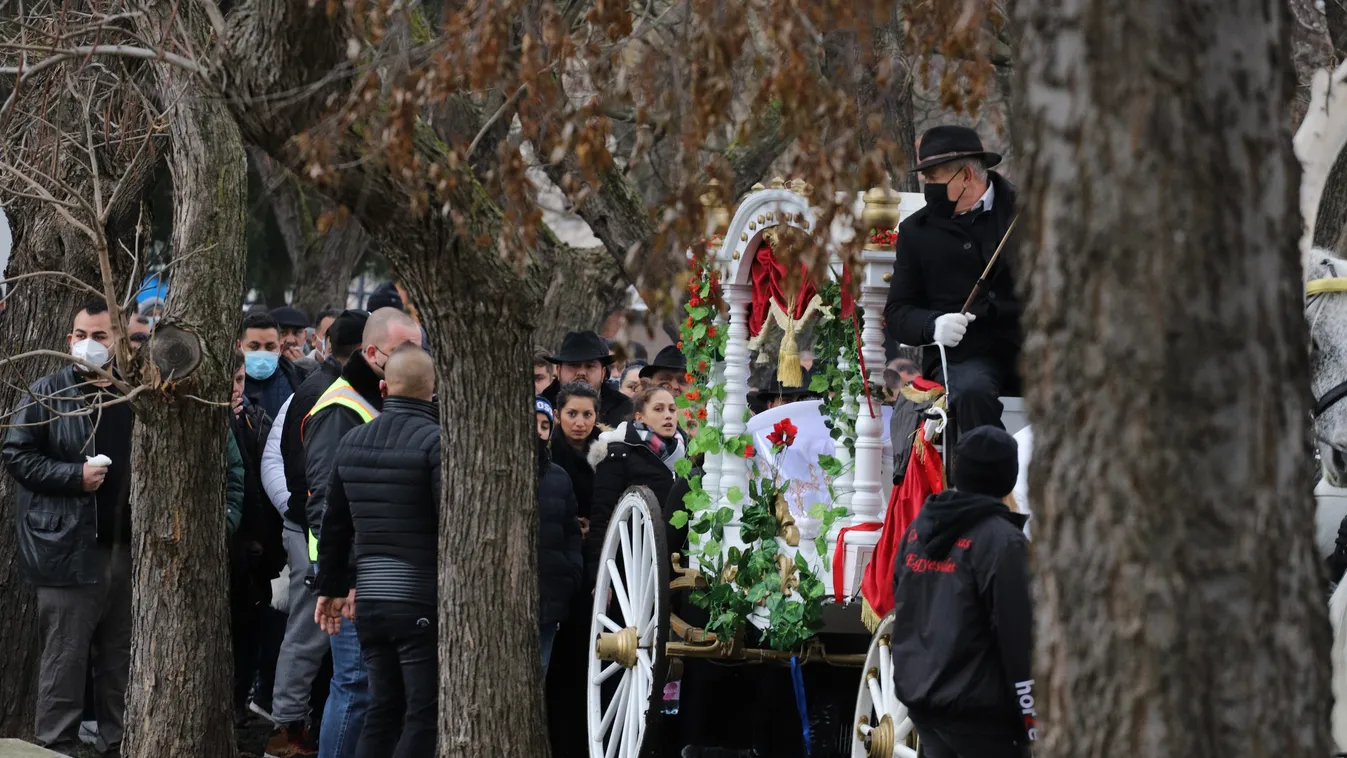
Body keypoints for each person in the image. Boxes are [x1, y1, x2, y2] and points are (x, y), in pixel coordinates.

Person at [3, 299, 133, 757]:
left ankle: (119, 744)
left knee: (121, 659)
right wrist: (73, 476)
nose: (88, 344)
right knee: (64, 658)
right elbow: (16, 454)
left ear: (119, 341)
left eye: (99, 336)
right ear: (68, 339)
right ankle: (55, 747)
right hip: (67, 546)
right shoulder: (48, 392)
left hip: (128, 549)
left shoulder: (133, 394)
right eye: (81, 335)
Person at [305, 307, 423, 758]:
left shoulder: (385, 400)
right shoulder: (342, 409)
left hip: (384, 576)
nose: (410, 360)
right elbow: (327, 505)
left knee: (379, 693)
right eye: (401, 350)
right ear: (371, 353)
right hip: (356, 577)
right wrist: (348, 579)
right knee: (356, 687)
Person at [261, 310, 370, 758]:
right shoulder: (331, 395)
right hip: (318, 539)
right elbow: (319, 481)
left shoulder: (317, 386)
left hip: (313, 532)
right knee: (308, 637)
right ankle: (285, 731)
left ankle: (293, 725)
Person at [889, 426, 1034, 758]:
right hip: (982, 718)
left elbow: (904, 608)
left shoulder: (916, 531)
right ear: (1009, 477)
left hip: (925, 706)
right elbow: (1020, 640)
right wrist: (1033, 721)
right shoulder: (1004, 543)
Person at [883, 125, 1021, 434]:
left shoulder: (1027, 211)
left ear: (966, 176)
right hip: (964, 358)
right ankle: (986, 466)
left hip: (1031, 348)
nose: (928, 187)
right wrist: (933, 325)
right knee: (972, 391)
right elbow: (897, 312)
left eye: (933, 178)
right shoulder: (915, 231)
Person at [543, 382, 602, 756]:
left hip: (593, 560)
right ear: (558, 415)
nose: (579, 423)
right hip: (560, 563)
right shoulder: (549, 455)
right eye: (572, 414)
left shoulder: (606, 454)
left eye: (587, 415)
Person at [585, 382, 686, 582]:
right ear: (640, 417)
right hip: (631, 568)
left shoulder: (684, 455)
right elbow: (602, 519)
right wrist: (600, 578)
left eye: (672, 409)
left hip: (673, 564)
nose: (668, 415)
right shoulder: (618, 454)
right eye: (658, 409)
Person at [534, 397, 583, 673]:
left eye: (545, 426)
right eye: (534, 424)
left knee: (539, 669)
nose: (539, 431)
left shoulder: (559, 477)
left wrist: (572, 571)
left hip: (550, 592)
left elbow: (571, 532)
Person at [539, 330, 633, 428]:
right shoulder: (540, 406)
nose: (581, 373)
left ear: (603, 373)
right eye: (573, 365)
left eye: (589, 366)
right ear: (558, 371)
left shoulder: (625, 409)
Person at [239, 311, 314, 419]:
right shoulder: (229, 385)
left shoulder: (299, 380)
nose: (262, 353)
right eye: (254, 347)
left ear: (280, 348)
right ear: (240, 346)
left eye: (270, 347)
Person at [273, 306, 319, 374]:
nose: (290, 340)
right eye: (283, 333)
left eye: (296, 333)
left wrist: (306, 369)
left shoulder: (317, 363)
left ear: (305, 335)